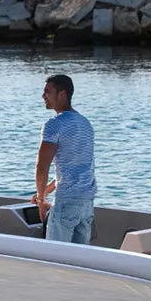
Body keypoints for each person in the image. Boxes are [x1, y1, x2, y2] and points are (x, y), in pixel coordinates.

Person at [31, 74, 97, 244]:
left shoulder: (54, 124)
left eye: (47, 91)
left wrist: (41, 200)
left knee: (56, 259)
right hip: (87, 204)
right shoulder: (85, 123)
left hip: (66, 203)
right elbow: (77, 164)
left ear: (62, 94)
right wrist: (48, 189)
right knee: (80, 260)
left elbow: (42, 166)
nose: (43, 96)